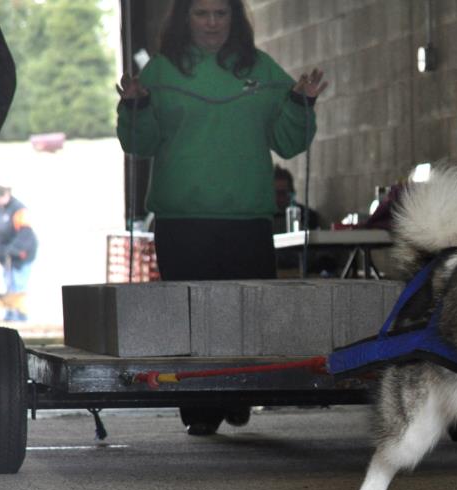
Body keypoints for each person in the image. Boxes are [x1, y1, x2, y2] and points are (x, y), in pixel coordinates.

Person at [116, 0, 327, 434]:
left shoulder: (263, 70)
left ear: (235, 19)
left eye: (221, 13)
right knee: (192, 324)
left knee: (248, 321)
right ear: (184, 19)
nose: (212, 22)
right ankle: (200, 409)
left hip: (246, 219)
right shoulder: (160, 72)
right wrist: (133, 107)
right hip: (182, 220)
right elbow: (140, 143)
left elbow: (289, 143)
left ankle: (240, 397)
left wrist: (301, 102)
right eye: (202, 13)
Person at [0, 186, 37, 323]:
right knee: (9, 284)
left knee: (18, 285)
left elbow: (25, 234)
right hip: (6, 256)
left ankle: (20, 316)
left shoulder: (19, 210)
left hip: (22, 254)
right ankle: (10, 314)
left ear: (7, 195)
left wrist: (12, 249)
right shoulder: (1, 210)